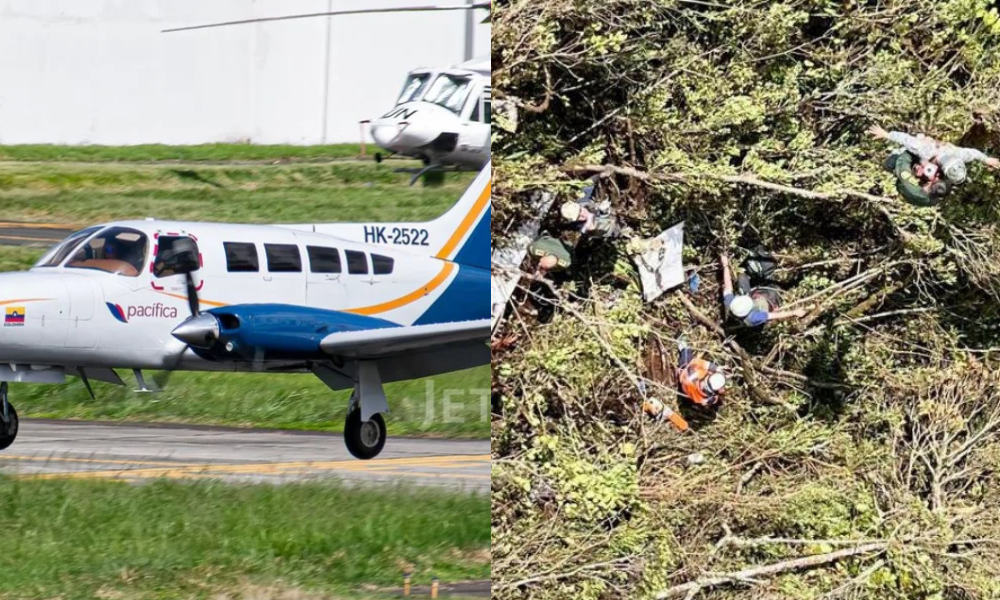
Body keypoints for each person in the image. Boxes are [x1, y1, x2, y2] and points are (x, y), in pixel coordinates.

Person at [869, 125, 1000, 186]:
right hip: (915, 153)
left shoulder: (958, 155)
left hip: (924, 156)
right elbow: (908, 140)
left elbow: (973, 154)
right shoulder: (928, 150)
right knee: (893, 160)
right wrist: (886, 134)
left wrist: (986, 159)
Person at [721, 252, 807, 327]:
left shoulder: (730, 303)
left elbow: (728, 284)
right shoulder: (754, 317)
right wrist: (794, 312)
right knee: (774, 288)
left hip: (752, 297)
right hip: (764, 303)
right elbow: (774, 315)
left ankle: (757, 278)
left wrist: (725, 265)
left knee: (742, 276)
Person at [882, 148, 952, 207]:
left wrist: (915, 152)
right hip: (915, 187)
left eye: (936, 179)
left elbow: (903, 165)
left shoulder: (913, 189)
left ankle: (889, 159)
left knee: (894, 160)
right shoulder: (933, 200)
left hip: (902, 179)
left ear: (931, 183)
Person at [676, 339, 726, 407]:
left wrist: (715, 368)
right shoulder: (706, 398)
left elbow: (695, 362)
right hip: (689, 392)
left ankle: (681, 341)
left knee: (686, 350)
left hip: (685, 373)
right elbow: (709, 400)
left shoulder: (696, 374)